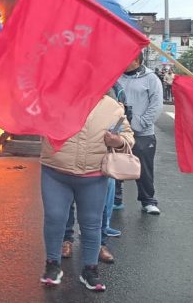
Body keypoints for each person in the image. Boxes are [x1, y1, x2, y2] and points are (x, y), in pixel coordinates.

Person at [39, 92, 134, 292]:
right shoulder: (54, 98)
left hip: (93, 176)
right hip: (56, 171)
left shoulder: (112, 106)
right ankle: (52, 265)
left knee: (92, 224)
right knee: (54, 218)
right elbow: (34, 119)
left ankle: (90, 270)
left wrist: (118, 141)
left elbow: (127, 136)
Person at [115, 51, 164, 215]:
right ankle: (115, 199)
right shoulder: (116, 76)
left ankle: (148, 200)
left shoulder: (151, 79)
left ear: (136, 60)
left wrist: (141, 123)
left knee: (144, 168)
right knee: (114, 163)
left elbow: (156, 105)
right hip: (118, 129)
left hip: (143, 132)